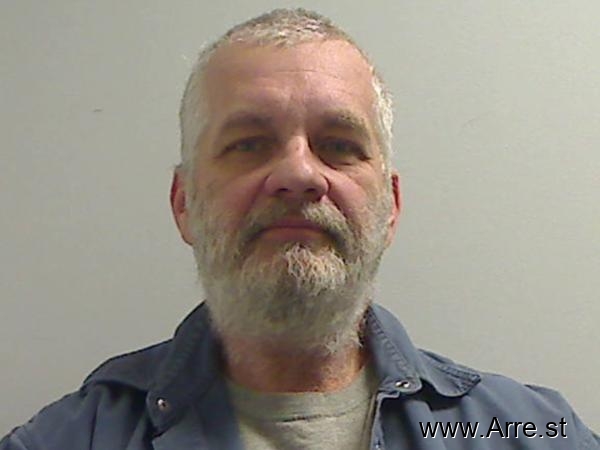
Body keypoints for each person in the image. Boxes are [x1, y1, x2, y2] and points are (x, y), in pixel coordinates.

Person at [2, 8, 598, 450]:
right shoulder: (66, 440)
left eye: (338, 145)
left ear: (390, 207)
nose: (297, 174)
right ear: (184, 204)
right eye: (249, 144)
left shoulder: (532, 432)